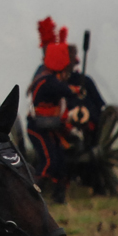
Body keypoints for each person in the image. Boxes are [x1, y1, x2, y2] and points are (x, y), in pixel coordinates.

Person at [26, 28, 78, 203]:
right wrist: (76, 90)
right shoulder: (47, 80)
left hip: (51, 126)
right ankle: (30, 196)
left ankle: (59, 196)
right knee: (49, 161)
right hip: (38, 127)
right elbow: (63, 89)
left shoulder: (50, 77)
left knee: (61, 161)